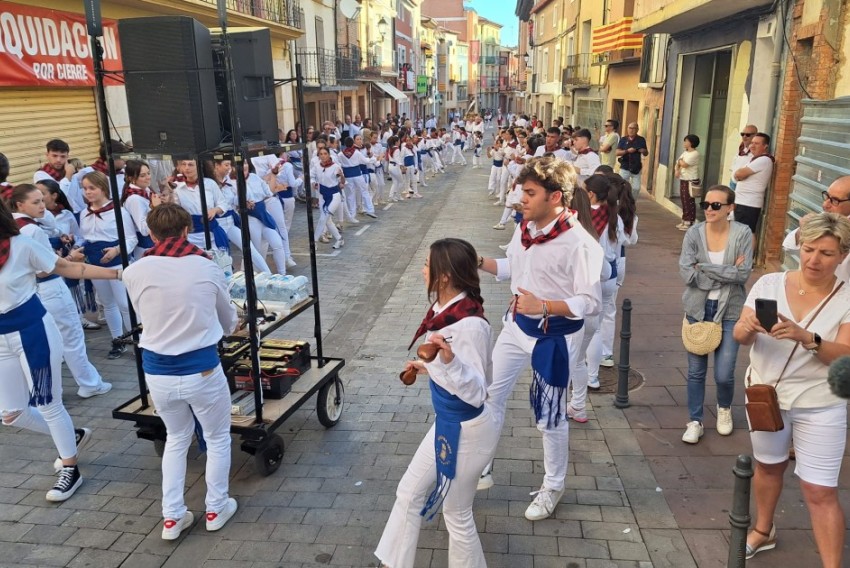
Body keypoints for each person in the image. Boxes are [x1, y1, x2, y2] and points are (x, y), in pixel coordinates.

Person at [477, 157, 603, 520]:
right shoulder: (525, 229)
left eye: (529, 192)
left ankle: (553, 487)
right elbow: (512, 269)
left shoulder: (579, 244)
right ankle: (481, 464)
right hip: (516, 327)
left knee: (549, 417)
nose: (521, 198)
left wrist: (544, 305)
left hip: (555, 339)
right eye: (521, 190)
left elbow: (590, 302)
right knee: (489, 395)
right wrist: (479, 260)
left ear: (556, 197)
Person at [733, 212, 850, 567]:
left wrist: (808, 338)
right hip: (766, 396)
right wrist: (750, 326)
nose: (814, 259)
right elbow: (739, 336)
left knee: (820, 490)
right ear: (799, 246)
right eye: (809, 249)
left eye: (826, 253)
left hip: (820, 402)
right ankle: (763, 530)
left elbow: (844, 356)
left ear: (843, 256)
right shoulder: (769, 284)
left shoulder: (847, 297)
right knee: (768, 468)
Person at [374, 239, 497, 568]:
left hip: (466, 428)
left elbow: (477, 390)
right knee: (413, 495)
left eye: (427, 265)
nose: (422, 270)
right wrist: (427, 366)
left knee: (453, 513)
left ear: (443, 277)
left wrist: (448, 361)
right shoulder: (449, 311)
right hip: (450, 423)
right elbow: (456, 371)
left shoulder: (469, 324)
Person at [122, 204, 238, 540]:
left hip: (157, 371)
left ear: (153, 234)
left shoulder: (134, 270)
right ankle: (216, 507)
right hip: (201, 368)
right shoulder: (206, 266)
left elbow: (145, 310)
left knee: (176, 439)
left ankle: (172, 517)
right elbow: (227, 319)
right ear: (186, 231)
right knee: (217, 438)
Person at [0, 194, 122, 502]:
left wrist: (118, 273)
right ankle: (73, 434)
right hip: (1, 340)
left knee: (47, 403)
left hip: (33, 331)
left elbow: (68, 268)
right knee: (12, 413)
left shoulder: (22, 245)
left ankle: (71, 468)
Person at [8, 184, 112, 400]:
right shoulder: (31, 229)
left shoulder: (12, 227)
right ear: (20, 204)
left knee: (52, 341)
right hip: (51, 289)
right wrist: (69, 259)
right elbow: (44, 270)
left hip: (30, 293)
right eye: (35, 202)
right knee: (72, 338)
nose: (42, 205)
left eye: (41, 199)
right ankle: (89, 383)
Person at [679, 185, 753, 443]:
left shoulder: (743, 233)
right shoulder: (693, 233)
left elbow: (743, 275)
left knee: (724, 373)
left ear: (730, 207)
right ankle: (695, 420)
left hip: (731, 309)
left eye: (716, 205)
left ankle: (724, 409)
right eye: (706, 205)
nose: (709, 209)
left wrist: (704, 268)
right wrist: (724, 273)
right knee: (696, 372)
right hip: (698, 309)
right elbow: (687, 273)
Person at [69, 171, 136, 359]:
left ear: (103, 188)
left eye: (92, 188)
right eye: (85, 188)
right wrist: (77, 247)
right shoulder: (84, 213)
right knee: (108, 304)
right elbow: (84, 237)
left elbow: (131, 239)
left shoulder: (119, 212)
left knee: (125, 304)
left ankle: (137, 341)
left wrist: (116, 250)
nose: (88, 192)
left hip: (117, 264)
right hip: (95, 265)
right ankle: (118, 340)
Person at [783, 175, 850, 282]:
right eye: (827, 196)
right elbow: (788, 248)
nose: (825, 204)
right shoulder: (826, 216)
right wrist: (803, 229)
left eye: (835, 200)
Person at [732, 132, 774, 234]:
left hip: (748, 204)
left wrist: (740, 175)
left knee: (747, 234)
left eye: (757, 143)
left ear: (765, 146)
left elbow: (739, 173)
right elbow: (736, 176)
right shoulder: (754, 160)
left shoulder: (764, 160)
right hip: (742, 202)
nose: (752, 146)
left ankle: (747, 251)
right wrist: (739, 175)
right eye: (752, 143)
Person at [121, 159, 161, 258]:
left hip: (154, 243)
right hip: (146, 246)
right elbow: (144, 230)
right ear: (131, 178)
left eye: (148, 173)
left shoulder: (145, 191)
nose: (148, 177)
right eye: (142, 176)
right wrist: (157, 208)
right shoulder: (135, 199)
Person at [310, 147, 345, 249]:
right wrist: (313, 183)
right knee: (327, 220)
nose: (323, 156)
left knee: (323, 218)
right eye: (321, 154)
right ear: (319, 156)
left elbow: (342, 182)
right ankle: (339, 239)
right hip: (322, 195)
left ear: (329, 155)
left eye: (325, 153)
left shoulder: (336, 167)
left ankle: (314, 241)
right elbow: (312, 176)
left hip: (334, 195)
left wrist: (342, 176)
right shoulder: (316, 166)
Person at [675, 134, 701, 231]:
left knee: (689, 201)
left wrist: (680, 162)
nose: (684, 143)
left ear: (691, 143)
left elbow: (684, 164)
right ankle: (685, 220)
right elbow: (678, 162)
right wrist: (676, 170)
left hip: (691, 180)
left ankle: (690, 221)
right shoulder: (685, 153)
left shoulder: (695, 153)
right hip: (683, 178)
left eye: (686, 141)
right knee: (684, 200)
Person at [616, 123, 648, 199]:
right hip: (625, 167)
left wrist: (643, 151)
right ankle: (621, 205)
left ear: (637, 130)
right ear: (627, 129)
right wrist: (627, 151)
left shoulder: (641, 140)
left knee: (636, 188)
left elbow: (646, 153)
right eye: (630, 128)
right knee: (622, 187)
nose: (631, 130)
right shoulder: (623, 139)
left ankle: (631, 205)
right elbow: (617, 153)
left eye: (633, 128)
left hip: (636, 167)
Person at [730, 125, 758, 189]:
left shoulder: (755, 152)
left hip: (742, 185)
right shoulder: (741, 148)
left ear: (755, 135)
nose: (744, 137)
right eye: (742, 134)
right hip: (733, 183)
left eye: (748, 135)